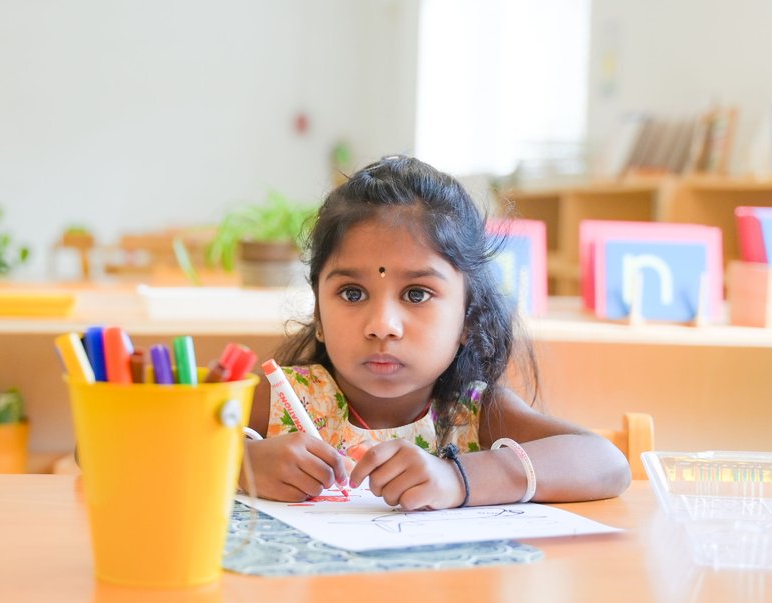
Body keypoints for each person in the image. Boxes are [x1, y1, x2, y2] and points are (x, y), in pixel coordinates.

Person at [242, 155, 631, 509]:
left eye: (416, 294)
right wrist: (239, 464)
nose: (382, 326)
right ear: (319, 314)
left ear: (467, 318)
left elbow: (607, 463)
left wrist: (459, 478)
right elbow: (180, 445)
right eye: (352, 293)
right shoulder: (282, 399)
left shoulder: (471, 413)